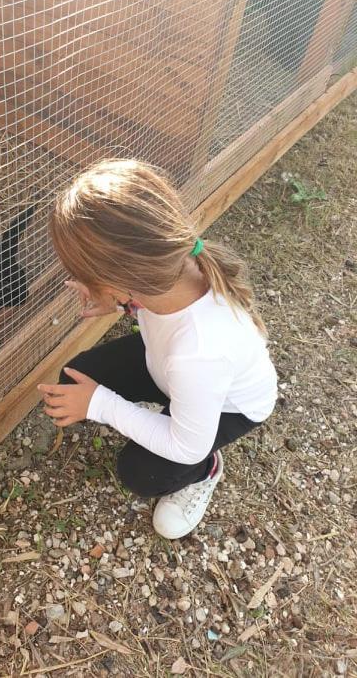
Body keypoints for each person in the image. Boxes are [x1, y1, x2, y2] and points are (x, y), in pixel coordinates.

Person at [38, 160, 277, 539]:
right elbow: (151, 310)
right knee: (72, 378)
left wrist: (100, 404)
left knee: (140, 473)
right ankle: (170, 412)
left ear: (123, 281)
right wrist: (119, 303)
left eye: (86, 278)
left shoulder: (198, 352)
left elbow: (184, 444)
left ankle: (206, 470)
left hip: (229, 405)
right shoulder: (171, 272)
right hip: (168, 366)